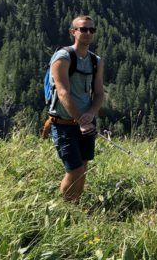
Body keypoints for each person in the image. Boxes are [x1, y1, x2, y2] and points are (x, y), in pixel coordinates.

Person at [48, 15, 105, 202]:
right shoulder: (62, 57)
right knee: (75, 169)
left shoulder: (96, 61)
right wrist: (81, 119)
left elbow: (99, 94)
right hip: (64, 123)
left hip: (86, 122)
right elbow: (63, 93)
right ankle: (64, 208)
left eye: (92, 30)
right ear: (73, 32)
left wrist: (89, 114)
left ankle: (75, 206)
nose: (88, 33)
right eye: (83, 29)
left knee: (83, 166)